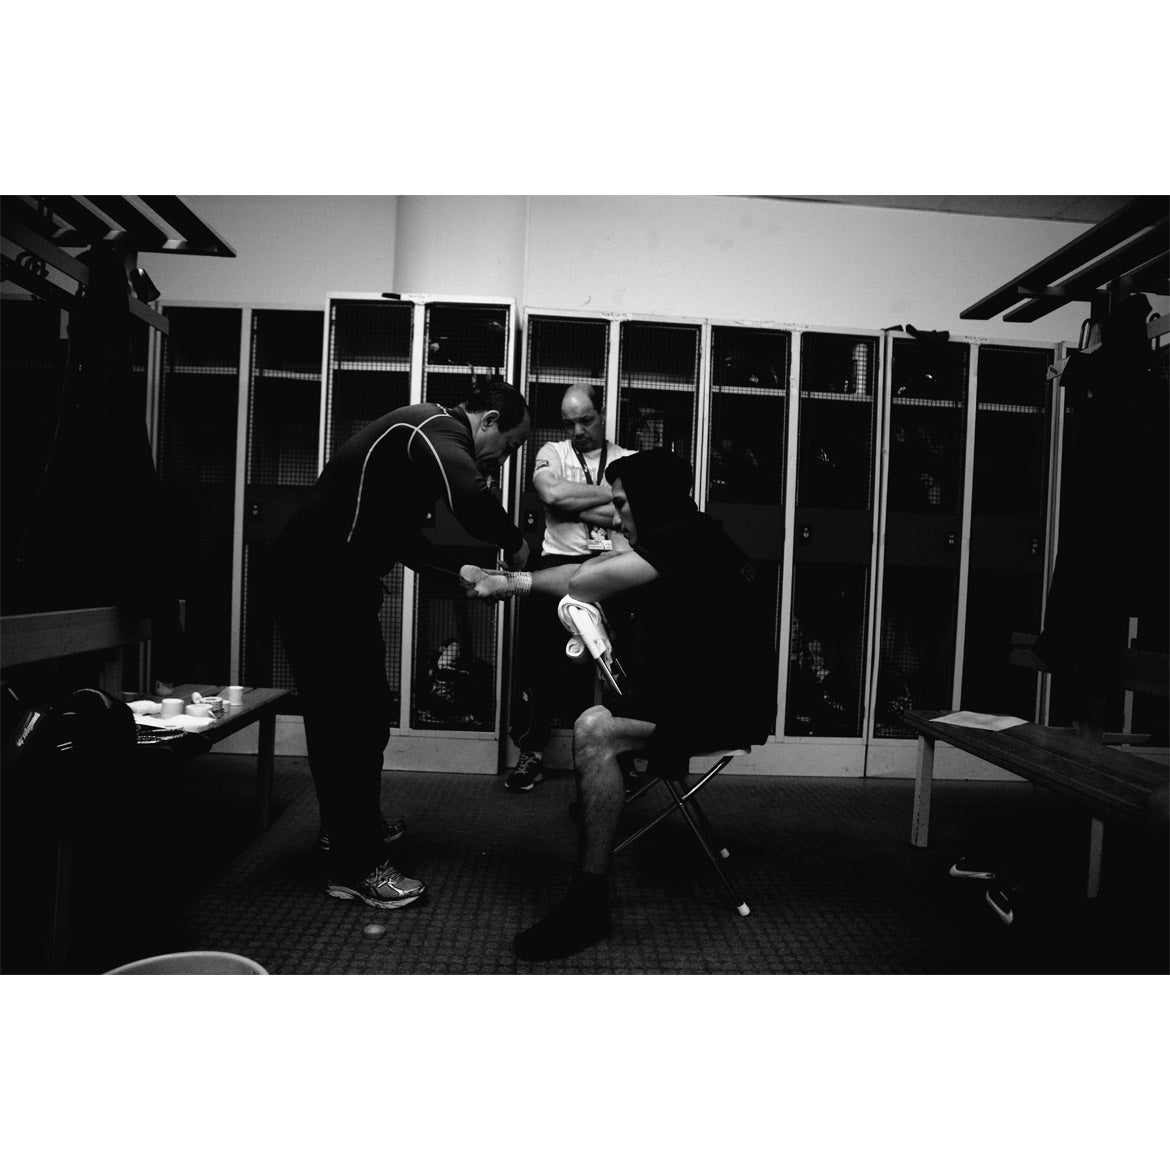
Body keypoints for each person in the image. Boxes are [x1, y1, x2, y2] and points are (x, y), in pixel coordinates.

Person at [462, 449, 775, 960]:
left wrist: (522, 580)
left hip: (722, 713)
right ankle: (603, 804)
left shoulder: (683, 541)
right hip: (708, 697)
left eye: (623, 503)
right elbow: (594, 570)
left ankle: (588, 904)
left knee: (594, 729)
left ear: (651, 501)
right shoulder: (692, 534)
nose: (616, 514)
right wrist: (509, 582)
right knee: (612, 698)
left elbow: (584, 581)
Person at [270, 382, 531, 911]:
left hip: (336, 584)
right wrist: (514, 540)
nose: (502, 462)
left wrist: (459, 572)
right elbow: (470, 497)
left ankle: (349, 828)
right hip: (317, 584)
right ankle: (354, 865)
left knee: (362, 715)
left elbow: (401, 540)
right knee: (346, 721)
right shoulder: (432, 426)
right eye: (508, 447)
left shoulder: (418, 449)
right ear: (488, 420)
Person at [505, 383, 636, 792]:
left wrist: (571, 504)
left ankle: (622, 756)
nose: (578, 431)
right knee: (539, 662)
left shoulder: (628, 459)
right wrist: (612, 495)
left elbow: (626, 514)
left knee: (620, 663)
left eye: (586, 420)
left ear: (602, 415)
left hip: (611, 567)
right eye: (569, 424)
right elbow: (551, 492)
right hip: (557, 565)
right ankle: (531, 752)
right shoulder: (552, 452)